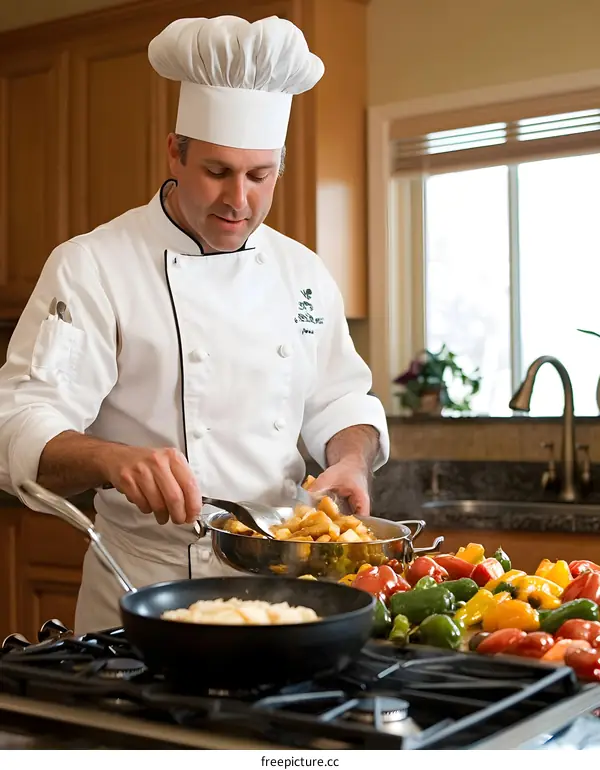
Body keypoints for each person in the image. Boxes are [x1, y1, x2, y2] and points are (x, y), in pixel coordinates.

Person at [0, 15, 389, 633]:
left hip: (280, 593)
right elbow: (18, 422)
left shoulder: (302, 271)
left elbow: (342, 400)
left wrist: (349, 461)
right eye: (217, 171)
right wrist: (111, 459)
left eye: (259, 176)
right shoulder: (93, 265)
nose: (239, 200)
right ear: (174, 153)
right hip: (143, 590)